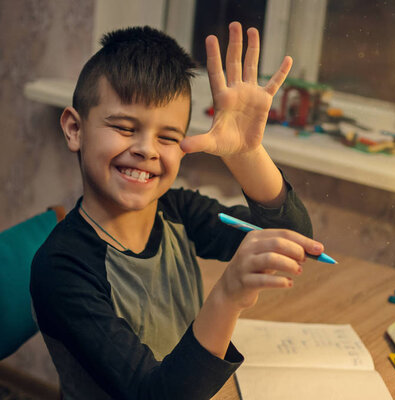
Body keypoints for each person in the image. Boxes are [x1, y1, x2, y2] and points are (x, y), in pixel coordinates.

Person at [31, 22, 325, 400]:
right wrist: (227, 296)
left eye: (168, 137)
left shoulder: (177, 210)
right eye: (123, 127)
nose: (147, 150)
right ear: (75, 128)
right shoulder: (62, 268)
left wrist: (247, 154)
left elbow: (293, 237)